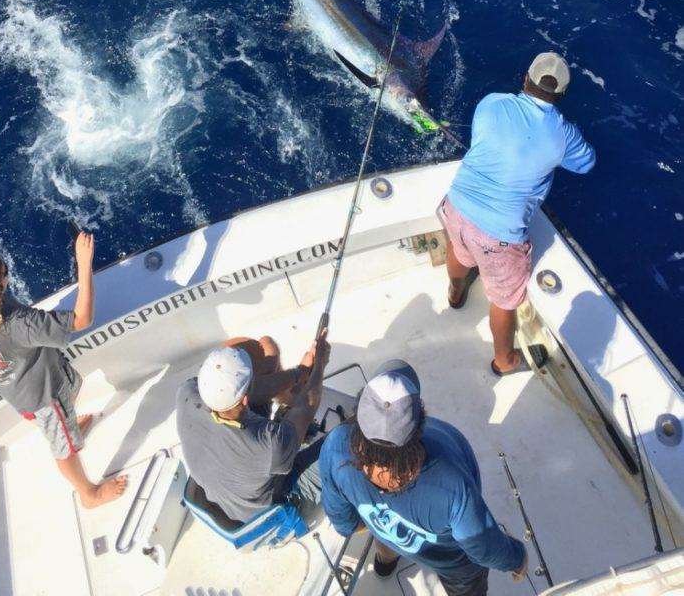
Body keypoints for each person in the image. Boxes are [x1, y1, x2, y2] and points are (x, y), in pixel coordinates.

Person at [0, 232, 127, 508]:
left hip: (20, 390)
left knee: (71, 394)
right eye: (5, 274)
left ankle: (69, 428)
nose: (7, 277)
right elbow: (82, 319)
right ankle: (88, 494)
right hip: (45, 398)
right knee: (65, 450)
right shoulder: (20, 324)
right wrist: (84, 264)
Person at [441, 52, 595, 375]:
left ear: (526, 78)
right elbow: (587, 163)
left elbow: (482, 139)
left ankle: (456, 293)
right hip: (498, 237)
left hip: (456, 204)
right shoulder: (563, 134)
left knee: (458, 249)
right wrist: (563, 132)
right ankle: (505, 361)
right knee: (504, 300)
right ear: (561, 96)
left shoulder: (493, 103)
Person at [319, 361, 527, 595]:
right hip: (453, 566)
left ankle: (385, 563)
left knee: (384, 532)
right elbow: (484, 547)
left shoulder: (335, 446)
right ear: (419, 425)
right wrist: (517, 558)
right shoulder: (452, 486)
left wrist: (364, 521)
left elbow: (342, 520)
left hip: (385, 533)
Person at [176, 329, 330, 525]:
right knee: (344, 438)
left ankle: (289, 400)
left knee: (265, 346)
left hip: (228, 492)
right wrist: (319, 367)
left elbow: (256, 390)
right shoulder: (270, 443)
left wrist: (300, 372)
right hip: (272, 506)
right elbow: (307, 406)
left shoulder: (186, 392)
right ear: (246, 399)